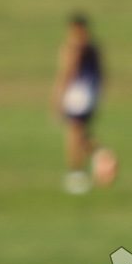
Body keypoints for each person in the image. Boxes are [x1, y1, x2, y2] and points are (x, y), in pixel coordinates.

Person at [52, 14, 113, 194]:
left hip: (78, 94)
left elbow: (67, 73)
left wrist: (57, 98)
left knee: (74, 133)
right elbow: (102, 73)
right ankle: (101, 155)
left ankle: (76, 173)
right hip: (89, 94)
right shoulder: (93, 48)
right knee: (79, 132)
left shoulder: (75, 48)